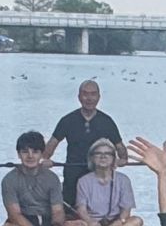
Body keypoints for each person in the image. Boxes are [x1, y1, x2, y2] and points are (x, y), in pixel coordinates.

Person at [0, 130, 90, 226]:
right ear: (19, 155)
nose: (30, 156)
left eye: (35, 152)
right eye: (25, 152)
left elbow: (58, 210)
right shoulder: (9, 179)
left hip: (48, 221)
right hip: (26, 224)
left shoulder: (52, 178)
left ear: (41, 154)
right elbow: (14, 215)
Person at [46, 79, 122, 207]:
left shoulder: (107, 121)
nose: (89, 98)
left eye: (93, 94)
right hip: (73, 174)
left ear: (98, 97)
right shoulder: (67, 120)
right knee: (70, 210)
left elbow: (120, 147)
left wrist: (121, 159)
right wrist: (44, 160)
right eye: (85, 94)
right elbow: (52, 144)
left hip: (99, 173)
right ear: (79, 97)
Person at [73, 139, 146, 226]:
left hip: (115, 224)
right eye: (98, 154)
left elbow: (126, 209)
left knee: (137, 221)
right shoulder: (83, 181)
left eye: (107, 154)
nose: (103, 157)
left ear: (113, 159)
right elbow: (81, 209)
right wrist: (90, 221)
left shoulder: (124, 180)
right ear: (92, 158)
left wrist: (119, 222)